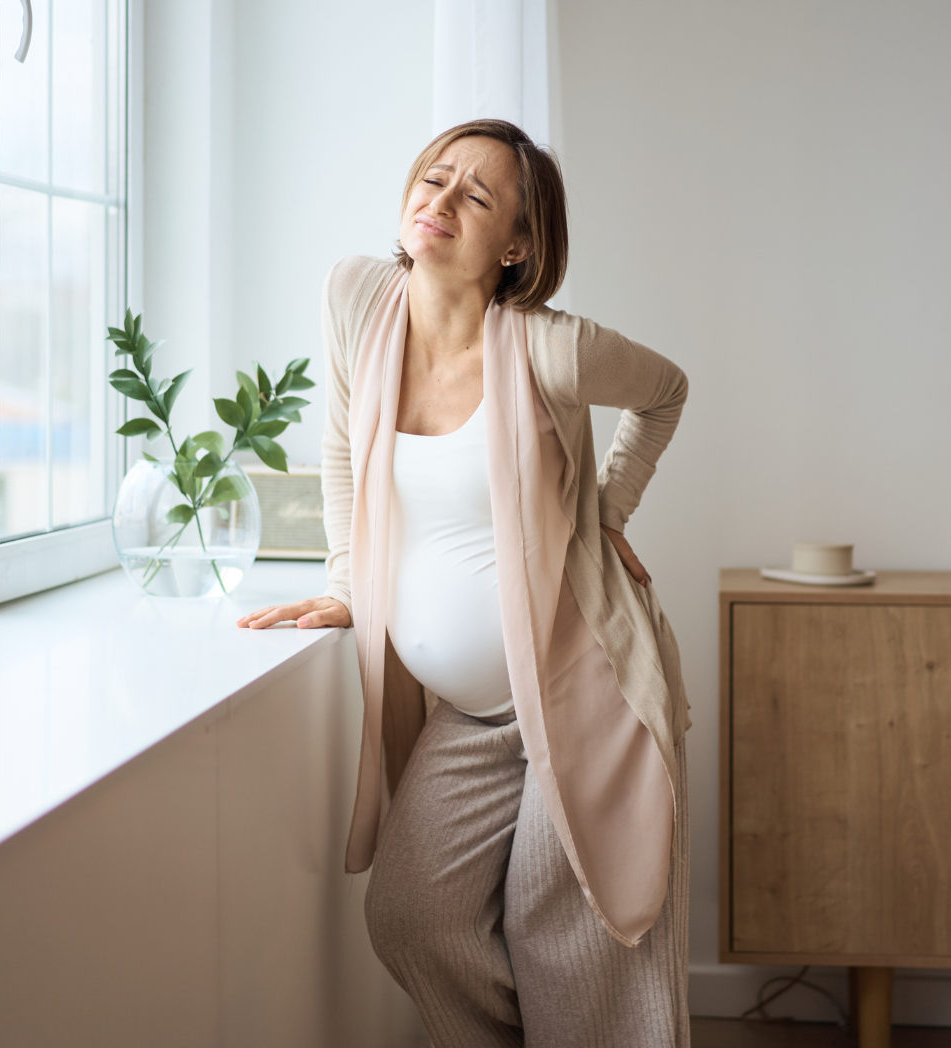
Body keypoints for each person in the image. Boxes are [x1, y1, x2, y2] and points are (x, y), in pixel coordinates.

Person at [238, 118, 690, 1047]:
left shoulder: (549, 347)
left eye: (475, 197)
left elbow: (666, 390)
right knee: (413, 916)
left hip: (578, 699)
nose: (439, 203)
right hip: (473, 716)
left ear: (517, 246)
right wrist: (350, 586)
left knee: (562, 940)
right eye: (433, 179)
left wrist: (607, 511)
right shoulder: (357, 301)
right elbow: (340, 452)